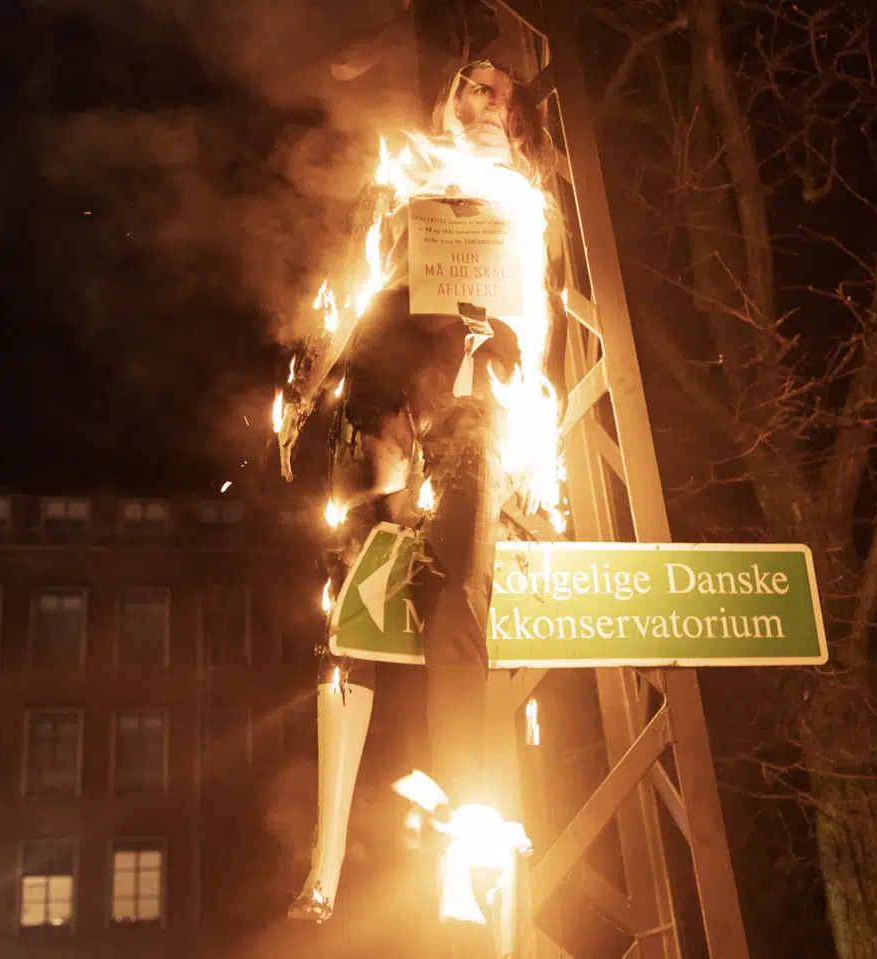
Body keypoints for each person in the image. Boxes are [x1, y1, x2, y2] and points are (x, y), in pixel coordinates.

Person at [278, 60, 562, 924]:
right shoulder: (404, 182)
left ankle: (462, 842)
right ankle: (324, 861)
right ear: (448, 98)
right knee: (353, 610)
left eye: (499, 92)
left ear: (514, 118)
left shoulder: (525, 204)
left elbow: (532, 337)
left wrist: (492, 337)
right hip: (385, 399)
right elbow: (355, 297)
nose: (483, 97)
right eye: (472, 83)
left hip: (470, 406)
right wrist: (307, 386)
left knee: (458, 602)